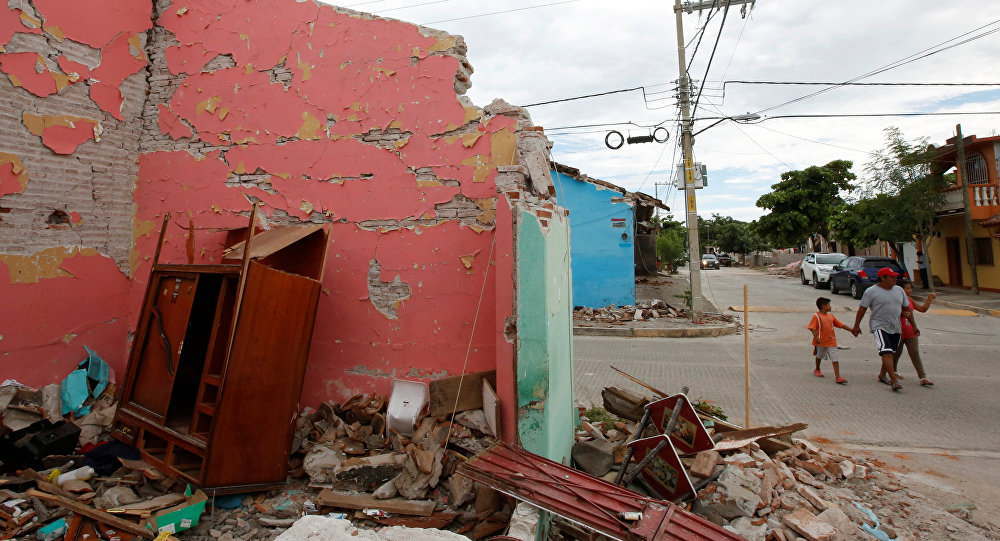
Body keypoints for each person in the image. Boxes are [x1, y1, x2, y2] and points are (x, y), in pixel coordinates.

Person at [851, 267, 914, 392]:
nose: (895, 279)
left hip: (895, 326)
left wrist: (913, 325)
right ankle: (894, 381)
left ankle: (882, 375)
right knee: (886, 352)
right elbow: (862, 309)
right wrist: (856, 325)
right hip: (879, 325)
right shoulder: (871, 291)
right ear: (883, 278)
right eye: (892, 277)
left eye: (895, 276)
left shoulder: (899, 290)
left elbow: (906, 308)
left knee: (891, 352)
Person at [891, 279, 937, 387]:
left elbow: (922, 309)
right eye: (907, 288)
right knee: (895, 353)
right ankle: (892, 372)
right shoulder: (895, 300)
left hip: (910, 331)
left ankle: (923, 377)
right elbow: (898, 313)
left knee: (915, 353)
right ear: (901, 289)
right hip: (898, 331)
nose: (910, 290)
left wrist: (929, 299)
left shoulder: (909, 299)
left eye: (911, 288)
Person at [808, 297, 859, 384]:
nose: (830, 307)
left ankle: (838, 377)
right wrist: (816, 337)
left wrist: (851, 330)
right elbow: (812, 328)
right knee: (819, 355)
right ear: (824, 306)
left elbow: (840, 325)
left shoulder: (831, 316)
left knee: (835, 358)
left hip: (831, 341)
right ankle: (817, 368)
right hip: (821, 341)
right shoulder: (816, 316)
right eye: (829, 305)